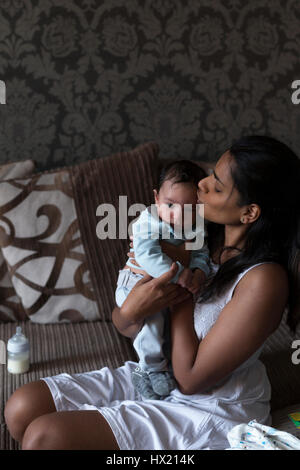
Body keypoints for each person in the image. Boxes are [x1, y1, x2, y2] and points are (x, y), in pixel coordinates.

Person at [4, 135, 300, 450]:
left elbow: (190, 379)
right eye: (211, 174)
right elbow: (124, 323)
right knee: (22, 407)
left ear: (249, 213)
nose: (201, 185)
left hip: (208, 407)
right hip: (157, 373)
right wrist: (132, 310)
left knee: (45, 437)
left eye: (216, 186)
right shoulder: (191, 230)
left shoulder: (263, 280)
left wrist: (182, 282)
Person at [115, 160, 211, 400]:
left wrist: (199, 272)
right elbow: (147, 255)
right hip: (135, 282)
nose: (177, 215)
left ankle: (156, 368)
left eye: (188, 208)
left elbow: (200, 254)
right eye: (170, 205)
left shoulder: (196, 227)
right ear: (157, 198)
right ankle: (152, 369)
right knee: (153, 323)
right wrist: (180, 273)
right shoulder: (147, 221)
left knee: (166, 330)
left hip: (168, 286)